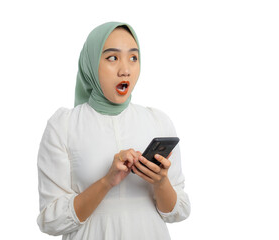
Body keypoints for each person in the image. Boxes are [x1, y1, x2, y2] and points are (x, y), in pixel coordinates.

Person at [36, 22, 191, 240]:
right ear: (90, 63)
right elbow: (50, 221)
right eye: (112, 58)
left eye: (133, 58)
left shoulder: (158, 121)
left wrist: (161, 183)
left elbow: (178, 212)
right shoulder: (64, 126)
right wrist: (106, 181)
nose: (125, 69)